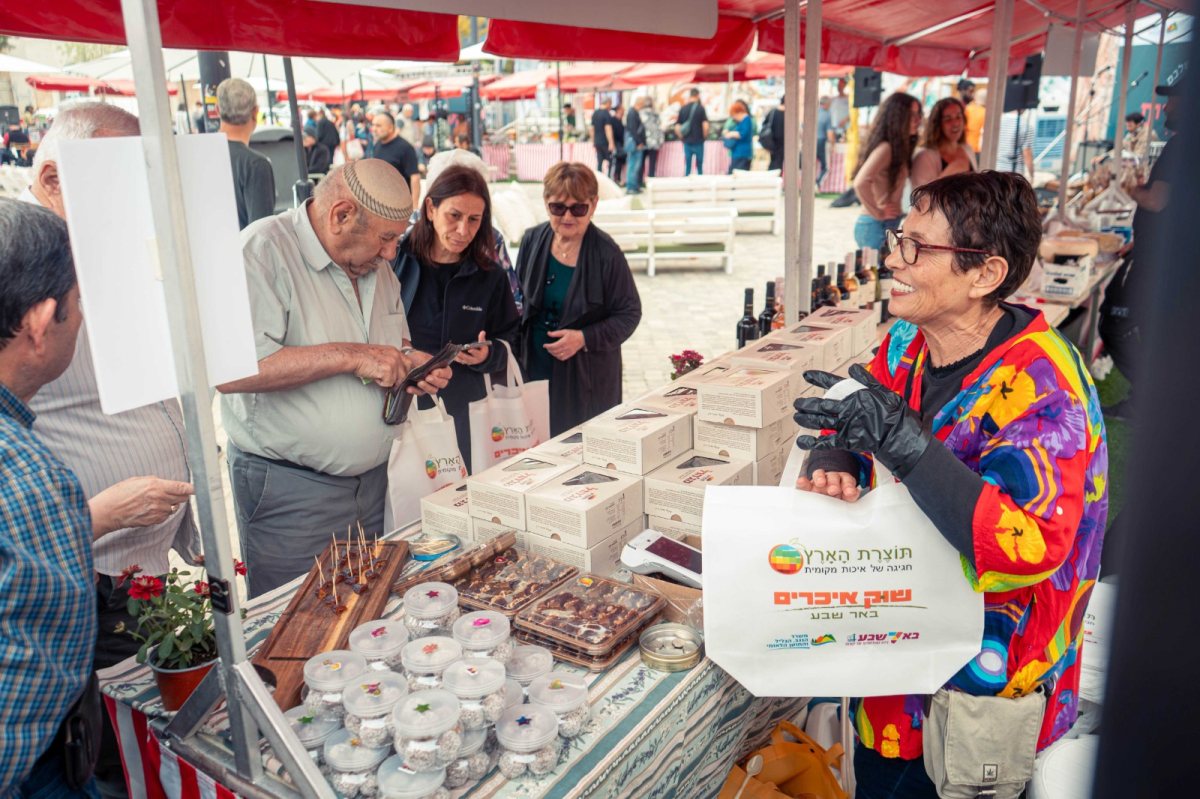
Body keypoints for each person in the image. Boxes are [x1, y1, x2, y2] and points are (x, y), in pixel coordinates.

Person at [794, 170, 1107, 797]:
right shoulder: (911, 337)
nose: (892, 258)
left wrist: (903, 446)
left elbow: (1028, 548)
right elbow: (867, 405)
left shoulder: (1046, 390)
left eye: (915, 247)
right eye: (896, 238)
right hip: (897, 658)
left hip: (975, 688)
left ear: (985, 275)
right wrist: (834, 455)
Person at [25, 102, 202, 798]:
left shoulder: (114, 255)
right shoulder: (22, 279)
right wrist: (96, 513)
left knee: (145, 739)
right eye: (118, 182)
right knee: (101, 756)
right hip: (82, 580)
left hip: (144, 570)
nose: (137, 202)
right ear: (52, 179)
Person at [217, 160, 452, 597]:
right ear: (341, 214)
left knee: (366, 617)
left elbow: (391, 342)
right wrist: (354, 357)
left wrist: (410, 364)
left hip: (377, 483)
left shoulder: (375, 266)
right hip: (292, 491)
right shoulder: (260, 251)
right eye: (385, 239)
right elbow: (230, 371)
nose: (389, 255)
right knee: (296, 625)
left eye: (395, 241)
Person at [0, 198, 99, 796]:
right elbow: (26, 698)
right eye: (78, 302)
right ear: (41, 321)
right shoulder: (28, 480)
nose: (80, 318)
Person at [393, 164, 520, 472]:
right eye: (454, 216)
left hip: (469, 414)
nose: (464, 230)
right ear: (430, 208)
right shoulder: (396, 261)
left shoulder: (491, 276)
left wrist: (490, 354)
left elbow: (513, 338)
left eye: (474, 220)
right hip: (405, 410)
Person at [515, 162, 642, 435]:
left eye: (578, 208)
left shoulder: (608, 253)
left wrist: (583, 338)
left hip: (586, 376)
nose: (568, 216)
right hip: (536, 368)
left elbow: (629, 313)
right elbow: (518, 301)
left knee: (580, 445)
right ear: (546, 203)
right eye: (558, 207)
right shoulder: (531, 240)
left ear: (593, 205)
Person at [1100, 80, 1183, 421]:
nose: (1165, 109)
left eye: (1173, 102)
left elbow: (1158, 200)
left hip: (1158, 261)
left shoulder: (1182, 146)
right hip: (1159, 253)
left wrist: (1128, 188)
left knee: (1116, 324)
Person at [852, 92, 921, 249]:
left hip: (883, 223)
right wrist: (878, 212)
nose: (918, 120)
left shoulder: (898, 148)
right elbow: (860, 182)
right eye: (911, 115)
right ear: (897, 118)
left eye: (918, 114)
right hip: (875, 225)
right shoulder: (886, 148)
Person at [217, 77, 276, 229]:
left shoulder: (198, 155)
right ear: (255, 112)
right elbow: (261, 234)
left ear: (217, 110)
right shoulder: (255, 165)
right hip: (238, 252)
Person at [911, 97, 977, 190]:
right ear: (937, 124)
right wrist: (952, 171)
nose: (955, 123)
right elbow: (921, 199)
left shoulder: (967, 149)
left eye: (958, 117)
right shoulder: (924, 157)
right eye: (948, 119)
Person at [371, 111, 421, 205]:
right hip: (381, 202)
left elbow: (415, 178)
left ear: (390, 127)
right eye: (373, 125)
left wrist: (414, 207)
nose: (374, 129)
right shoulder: (377, 145)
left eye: (378, 126)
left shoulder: (405, 148)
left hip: (400, 205)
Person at [677, 87, 709, 176]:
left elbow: (677, 126)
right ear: (698, 95)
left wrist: (681, 136)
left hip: (687, 141)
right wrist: (704, 136)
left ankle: (687, 184)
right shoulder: (701, 108)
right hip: (699, 140)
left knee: (687, 165)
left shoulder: (683, 109)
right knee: (699, 165)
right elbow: (705, 126)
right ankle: (700, 183)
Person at [996, 108, 1035, 177]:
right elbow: (1027, 153)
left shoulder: (997, 120)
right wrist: (1032, 175)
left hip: (996, 168)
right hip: (1014, 174)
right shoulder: (1026, 126)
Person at [623, 98, 647, 194]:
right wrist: (638, 142)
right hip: (635, 144)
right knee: (633, 165)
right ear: (639, 103)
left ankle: (634, 186)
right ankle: (631, 187)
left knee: (635, 165)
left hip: (635, 143)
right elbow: (633, 130)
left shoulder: (633, 112)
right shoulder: (632, 113)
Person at [722, 100, 754, 173]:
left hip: (742, 154)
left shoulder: (746, 120)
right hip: (738, 153)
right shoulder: (742, 121)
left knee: (737, 174)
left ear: (738, 113)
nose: (734, 118)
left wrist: (730, 134)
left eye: (734, 115)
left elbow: (742, 134)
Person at [959, 79, 985, 155]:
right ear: (962, 91)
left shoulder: (972, 107)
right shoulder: (959, 107)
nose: (972, 94)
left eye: (973, 91)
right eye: (970, 91)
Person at [591, 98, 616, 177]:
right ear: (608, 103)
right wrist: (611, 142)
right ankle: (609, 178)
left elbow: (592, 129)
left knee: (599, 162)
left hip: (597, 142)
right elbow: (608, 128)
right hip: (605, 142)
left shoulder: (595, 113)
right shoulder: (606, 114)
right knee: (610, 161)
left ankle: (599, 178)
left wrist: (593, 140)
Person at [640, 97, 664, 179]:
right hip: (654, 143)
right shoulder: (656, 114)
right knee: (652, 163)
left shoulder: (640, 114)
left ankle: (640, 180)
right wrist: (660, 141)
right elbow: (660, 128)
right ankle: (651, 179)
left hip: (643, 142)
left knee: (641, 163)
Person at [816, 95, 836, 187]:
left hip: (811, 142)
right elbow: (830, 133)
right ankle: (817, 183)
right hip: (821, 142)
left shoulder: (814, 112)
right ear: (827, 104)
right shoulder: (827, 115)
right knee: (825, 166)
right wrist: (833, 144)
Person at [761, 96, 786, 172]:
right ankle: (775, 179)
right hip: (783, 142)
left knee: (775, 161)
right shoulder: (789, 114)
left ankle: (774, 177)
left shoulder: (773, 111)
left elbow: (764, 124)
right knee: (778, 163)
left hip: (772, 141)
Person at [610, 105, 627, 184]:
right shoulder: (613, 120)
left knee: (620, 161)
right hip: (616, 143)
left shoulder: (620, 121)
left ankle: (618, 178)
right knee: (617, 161)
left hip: (621, 144)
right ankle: (616, 178)